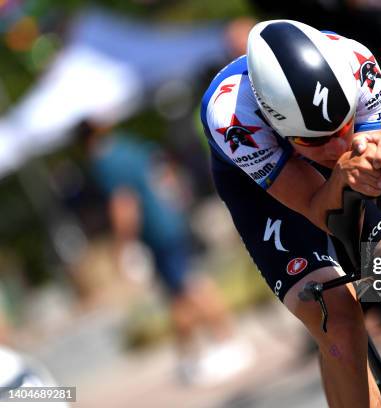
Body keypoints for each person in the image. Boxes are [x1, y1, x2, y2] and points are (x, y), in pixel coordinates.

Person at [200, 20, 381, 407]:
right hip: (265, 187)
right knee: (335, 319)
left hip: (322, 152)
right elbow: (318, 212)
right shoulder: (232, 118)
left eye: (344, 125)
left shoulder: (358, 63)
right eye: (315, 140)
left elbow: (374, 155)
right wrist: (340, 172)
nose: (336, 145)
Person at [78, 123, 253, 385]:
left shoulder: (105, 161)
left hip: (157, 232)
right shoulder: (130, 145)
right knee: (178, 296)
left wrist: (123, 246)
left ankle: (228, 340)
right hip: (170, 220)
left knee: (191, 287)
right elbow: (164, 172)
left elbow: (124, 205)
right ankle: (189, 357)